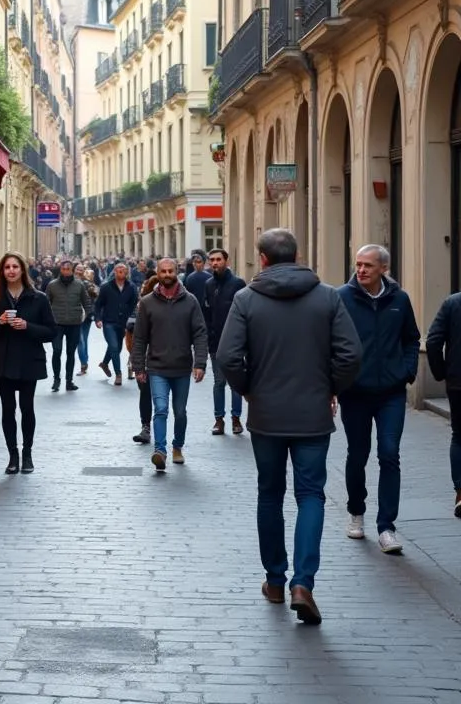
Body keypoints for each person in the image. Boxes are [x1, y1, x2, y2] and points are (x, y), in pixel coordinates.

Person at [216, 228, 362, 625]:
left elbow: (228, 357)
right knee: (311, 495)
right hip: (313, 414)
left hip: (266, 414)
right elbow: (351, 354)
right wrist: (329, 387)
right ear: (297, 255)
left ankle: (276, 581)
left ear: (262, 259)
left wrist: (248, 390)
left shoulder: (246, 299)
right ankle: (304, 583)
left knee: (269, 494)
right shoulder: (328, 296)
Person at [336, 244, 421, 554]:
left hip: (391, 393)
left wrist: (407, 371)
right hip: (355, 393)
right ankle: (356, 512)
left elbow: (412, 338)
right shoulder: (342, 298)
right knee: (358, 454)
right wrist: (337, 381)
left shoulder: (399, 300)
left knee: (389, 453)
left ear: (383, 268)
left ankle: (386, 526)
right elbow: (331, 340)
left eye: (368, 265)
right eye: (358, 264)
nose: (361, 270)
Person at [0, 252, 56, 475]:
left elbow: (51, 331)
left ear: (22, 270)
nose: (11, 270)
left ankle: (28, 453)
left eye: (15, 267)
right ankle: (13, 455)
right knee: (8, 409)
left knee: (27, 408)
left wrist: (27, 326)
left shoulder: (37, 297)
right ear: (2, 271)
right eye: (7, 267)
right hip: (3, 361)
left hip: (29, 360)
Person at [130, 258, 208, 472]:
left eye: (170, 271)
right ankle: (160, 451)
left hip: (182, 367)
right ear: (158, 272)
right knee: (161, 409)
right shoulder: (147, 302)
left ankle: (177, 447)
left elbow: (200, 333)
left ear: (177, 272)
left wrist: (200, 363)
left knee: (180, 412)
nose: (166, 274)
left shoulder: (190, 301)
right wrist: (138, 367)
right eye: (163, 271)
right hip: (157, 367)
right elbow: (139, 338)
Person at [425, 290, 461, 518]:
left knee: (459, 436)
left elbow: (433, 341)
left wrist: (442, 373)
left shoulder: (452, 303)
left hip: (458, 382)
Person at [204, 248, 246, 435]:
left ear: (226, 261)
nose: (215, 263)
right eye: (212, 260)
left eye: (218, 259)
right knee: (219, 382)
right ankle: (218, 420)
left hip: (236, 342)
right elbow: (206, 314)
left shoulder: (238, 284)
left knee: (235, 383)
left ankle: (236, 418)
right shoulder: (209, 284)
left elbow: (245, 313)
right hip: (215, 342)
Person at [46, 260, 91, 392]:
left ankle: (69, 380)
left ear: (72, 270)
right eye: (63, 269)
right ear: (60, 270)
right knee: (57, 351)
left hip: (74, 323)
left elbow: (86, 301)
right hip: (57, 323)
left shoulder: (79, 285)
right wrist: (46, 319)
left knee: (71, 353)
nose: (66, 271)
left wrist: (89, 315)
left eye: (68, 269)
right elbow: (45, 302)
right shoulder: (52, 285)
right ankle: (56, 379)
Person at [94, 261, 139, 385]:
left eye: (123, 269)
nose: (121, 270)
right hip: (109, 321)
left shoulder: (131, 287)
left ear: (126, 272)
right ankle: (118, 374)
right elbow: (98, 304)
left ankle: (104, 363)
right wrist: (97, 319)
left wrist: (129, 315)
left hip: (123, 322)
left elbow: (134, 302)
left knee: (117, 348)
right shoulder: (106, 287)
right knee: (113, 346)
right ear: (114, 272)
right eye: (118, 269)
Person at [127, 275, 160, 444]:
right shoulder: (142, 304)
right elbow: (131, 325)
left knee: (158, 398)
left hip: (165, 359)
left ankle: (155, 429)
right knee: (145, 393)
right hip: (145, 357)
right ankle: (146, 427)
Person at [73, 264, 98, 376]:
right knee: (82, 340)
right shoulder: (71, 281)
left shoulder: (87, 283)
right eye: (77, 268)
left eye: (81, 269)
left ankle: (83, 363)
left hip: (86, 315)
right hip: (75, 314)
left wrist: (92, 287)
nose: (79, 270)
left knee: (81, 340)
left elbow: (95, 295)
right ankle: (84, 361)